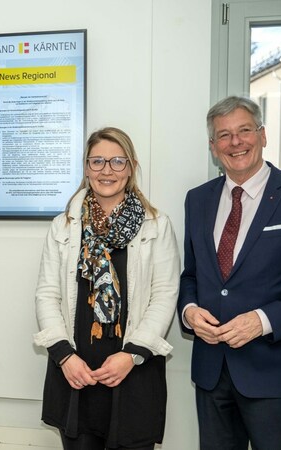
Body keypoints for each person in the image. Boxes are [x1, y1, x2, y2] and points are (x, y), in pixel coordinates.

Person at [178, 96, 281, 450]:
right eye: (224, 135)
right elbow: (191, 275)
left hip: (272, 373)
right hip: (210, 372)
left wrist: (263, 320)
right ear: (212, 146)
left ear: (263, 135)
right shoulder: (197, 200)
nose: (235, 142)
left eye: (244, 131)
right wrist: (189, 312)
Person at [34, 127, 180, 450]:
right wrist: (64, 357)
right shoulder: (64, 226)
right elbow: (47, 295)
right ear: (86, 168)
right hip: (76, 374)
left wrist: (131, 355)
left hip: (134, 373)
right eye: (97, 161)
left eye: (117, 161)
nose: (107, 171)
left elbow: (165, 296)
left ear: (131, 167)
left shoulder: (157, 225)